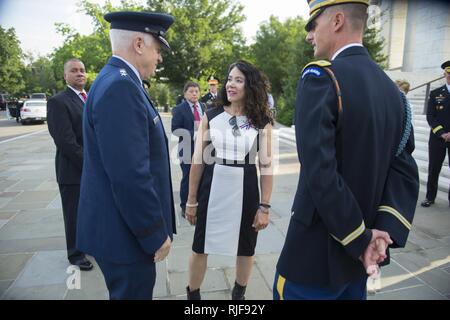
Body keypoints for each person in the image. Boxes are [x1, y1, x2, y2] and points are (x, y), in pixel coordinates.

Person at [274, 0, 419, 300]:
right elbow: (404, 170)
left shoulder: (321, 78)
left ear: (337, 20)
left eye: (313, 25)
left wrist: (360, 239)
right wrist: (381, 231)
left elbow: (320, 173)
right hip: (358, 263)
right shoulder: (394, 94)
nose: (309, 35)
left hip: (313, 259)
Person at [76, 11, 176, 300]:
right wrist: (154, 233)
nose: (159, 58)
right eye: (158, 49)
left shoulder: (118, 80)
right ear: (139, 44)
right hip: (126, 235)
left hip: (120, 229)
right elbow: (130, 174)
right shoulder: (120, 86)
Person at [185, 60, 274, 300]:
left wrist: (264, 206)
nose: (231, 84)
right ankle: (193, 296)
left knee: (246, 247)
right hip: (212, 186)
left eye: (238, 80)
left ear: (250, 85)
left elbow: (266, 166)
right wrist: (191, 200)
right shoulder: (211, 115)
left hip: (245, 188)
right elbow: (197, 160)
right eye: (229, 79)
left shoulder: (261, 120)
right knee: (200, 245)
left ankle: (239, 295)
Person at [47, 58, 93, 271]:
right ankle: (75, 254)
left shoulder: (90, 97)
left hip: (92, 169)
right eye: (74, 71)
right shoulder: (58, 101)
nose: (80, 74)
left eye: (82, 70)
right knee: (74, 213)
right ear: (65, 76)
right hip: (73, 170)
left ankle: (90, 244)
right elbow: (65, 141)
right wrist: (90, 165)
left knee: (90, 211)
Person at [171, 81, 206, 218]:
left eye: (197, 91)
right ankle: (184, 206)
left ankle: (198, 203)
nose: (194, 94)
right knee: (187, 177)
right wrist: (193, 134)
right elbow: (175, 129)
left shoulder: (203, 106)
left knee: (201, 177)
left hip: (203, 150)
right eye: (191, 91)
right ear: (185, 93)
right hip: (187, 149)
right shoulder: (179, 109)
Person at [421, 61, 450, 208]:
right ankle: (430, 197)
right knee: (434, 169)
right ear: (445, 74)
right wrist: (442, 133)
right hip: (438, 138)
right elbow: (430, 116)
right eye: (448, 73)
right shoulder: (435, 93)